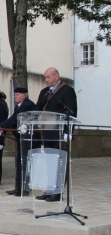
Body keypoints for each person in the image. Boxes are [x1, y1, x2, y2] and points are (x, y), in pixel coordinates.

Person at [33, 67, 78, 202]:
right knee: (50, 162)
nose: (46, 80)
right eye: (45, 78)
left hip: (59, 132)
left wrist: (68, 131)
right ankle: (49, 188)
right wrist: (28, 122)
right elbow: (37, 109)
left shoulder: (67, 90)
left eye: (48, 77)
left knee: (60, 161)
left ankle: (57, 192)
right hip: (47, 131)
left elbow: (72, 112)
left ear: (56, 76)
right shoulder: (44, 92)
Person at [0, 87, 35, 196]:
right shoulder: (18, 106)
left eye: (18, 94)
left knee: (24, 163)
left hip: (29, 138)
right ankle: (19, 187)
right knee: (19, 163)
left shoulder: (27, 105)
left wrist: (0, 126)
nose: (15, 96)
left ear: (25, 95)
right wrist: (2, 129)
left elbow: (14, 118)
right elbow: (13, 120)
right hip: (21, 137)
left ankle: (23, 188)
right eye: (15, 94)